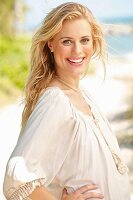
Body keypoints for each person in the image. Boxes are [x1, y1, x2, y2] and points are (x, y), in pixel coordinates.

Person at [3, 2, 130, 200]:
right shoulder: (55, 101)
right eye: (67, 41)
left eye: (85, 40)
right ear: (50, 44)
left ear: (93, 43)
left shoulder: (84, 95)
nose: (77, 50)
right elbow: (16, 177)